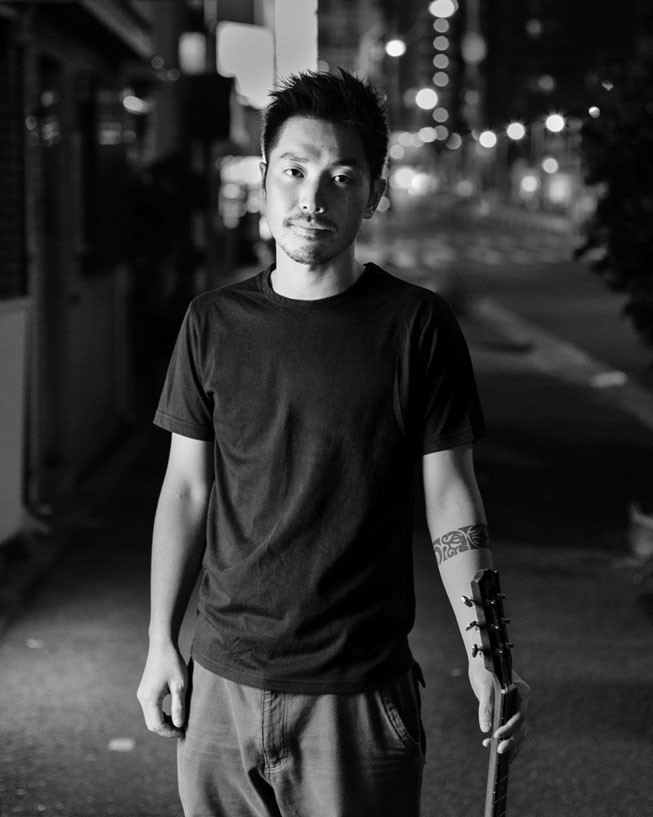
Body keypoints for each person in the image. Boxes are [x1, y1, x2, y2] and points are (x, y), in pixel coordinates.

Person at [137, 68, 529, 817]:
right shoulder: (211, 322)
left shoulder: (416, 326)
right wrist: (161, 642)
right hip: (220, 683)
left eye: (341, 177)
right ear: (264, 177)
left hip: (357, 694)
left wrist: (487, 656)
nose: (312, 198)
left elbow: (451, 496)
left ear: (374, 192)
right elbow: (185, 489)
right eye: (293, 171)